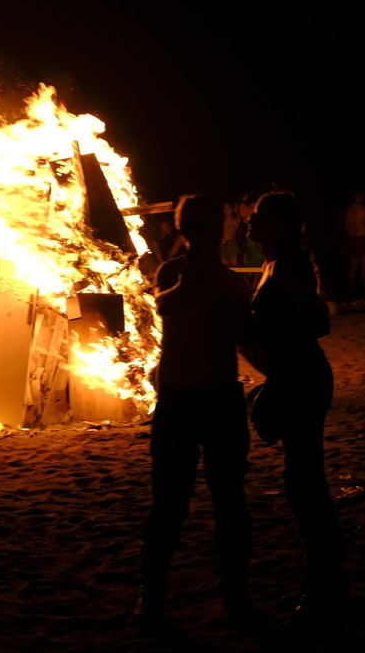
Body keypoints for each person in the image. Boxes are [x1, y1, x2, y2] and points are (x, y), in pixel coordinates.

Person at [138, 195, 255, 630]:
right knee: (168, 503)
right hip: (180, 398)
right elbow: (164, 304)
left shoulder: (230, 281)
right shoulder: (172, 273)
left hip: (220, 396)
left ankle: (236, 599)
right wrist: (190, 286)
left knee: (230, 502)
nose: (202, 235)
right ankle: (151, 600)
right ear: (185, 230)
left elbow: (245, 334)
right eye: (194, 227)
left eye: (207, 226)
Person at [243, 192, 347, 623]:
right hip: (291, 376)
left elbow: (318, 322)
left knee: (306, 486)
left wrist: (265, 335)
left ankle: (326, 591)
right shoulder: (273, 264)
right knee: (300, 483)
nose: (249, 226)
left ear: (281, 226)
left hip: (302, 378)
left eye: (258, 219)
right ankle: (321, 584)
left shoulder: (289, 266)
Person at [342, 190, 365, 299]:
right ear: (360, 197)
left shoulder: (349, 210)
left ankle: (349, 293)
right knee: (364, 268)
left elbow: (347, 228)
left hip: (352, 239)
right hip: (363, 239)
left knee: (353, 267)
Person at [220, 202, 241, 268]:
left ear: (232, 209)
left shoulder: (234, 220)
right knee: (224, 266)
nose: (226, 210)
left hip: (231, 243)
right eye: (224, 208)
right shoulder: (221, 220)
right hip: (221, 244)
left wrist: (237, 211)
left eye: (228, 208)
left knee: (234, 266)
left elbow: (239, 222)